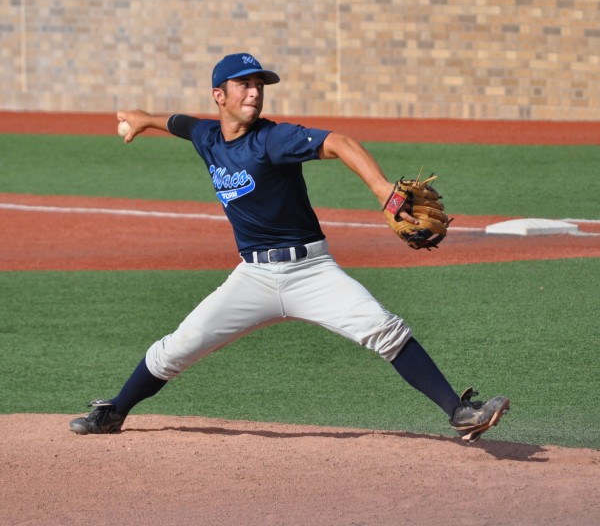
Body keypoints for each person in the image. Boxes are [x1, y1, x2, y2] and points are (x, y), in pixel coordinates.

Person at [69, 52, 509, 443]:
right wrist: (142, 119)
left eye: (260, 85)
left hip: (311, 271)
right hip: (253, 277)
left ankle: (459, 412)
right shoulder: (207, 137)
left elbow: (340, 142)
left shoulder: (274, 139)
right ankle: (115, 412)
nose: (255, 92)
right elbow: (178, 123)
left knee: (384, 329)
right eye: (245, 84)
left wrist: (380, 189)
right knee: (179, 346)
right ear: (218, 96)